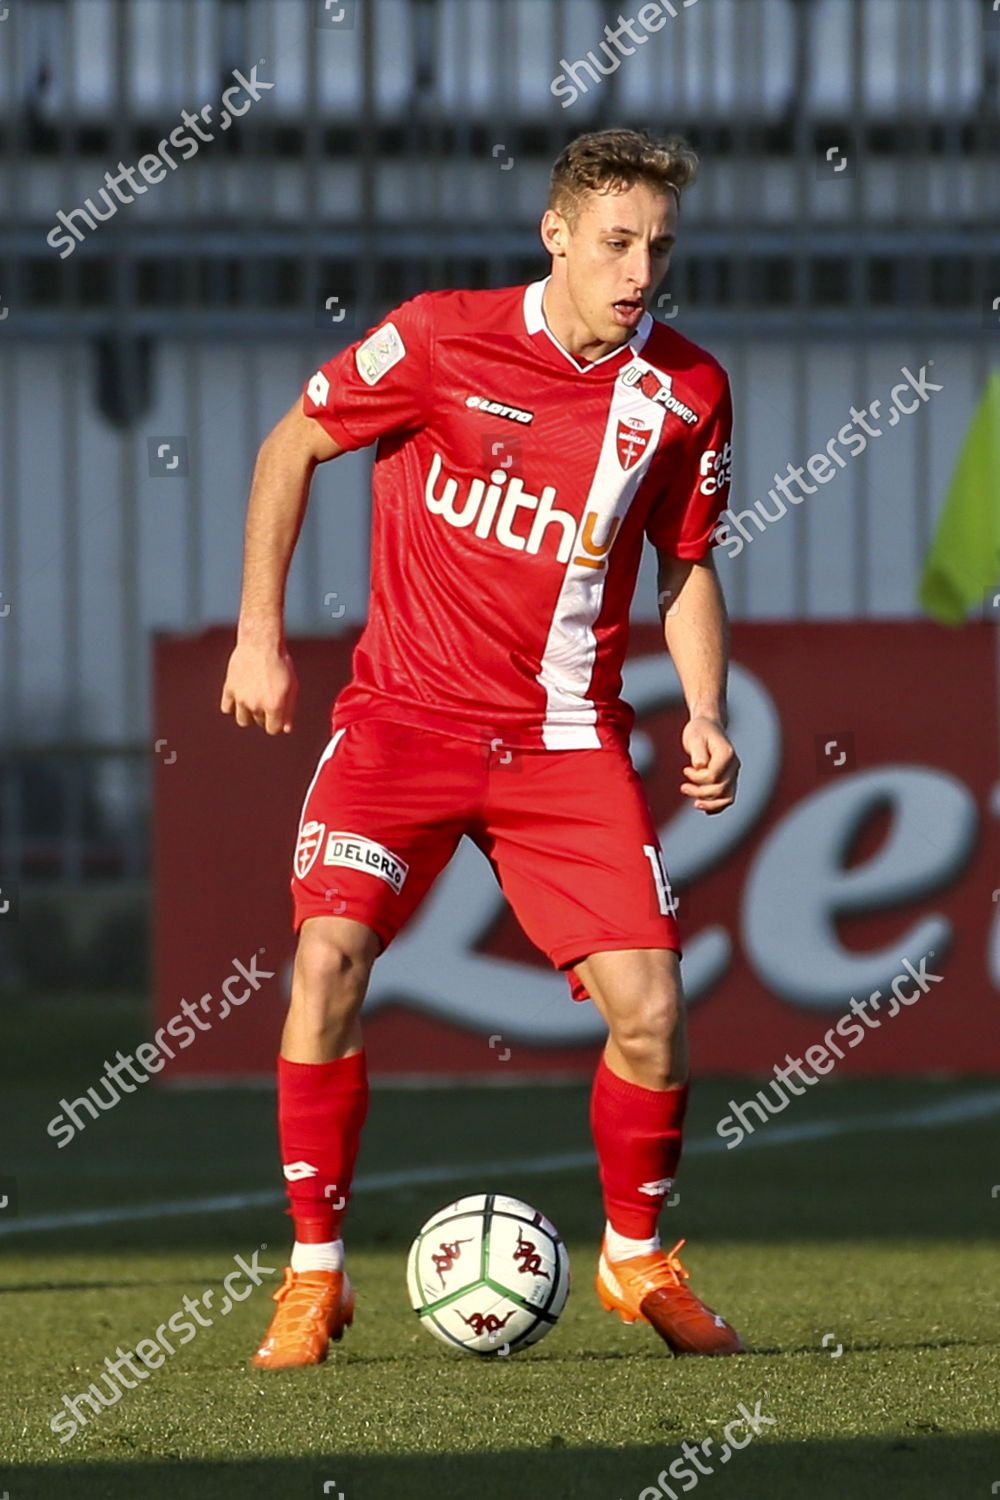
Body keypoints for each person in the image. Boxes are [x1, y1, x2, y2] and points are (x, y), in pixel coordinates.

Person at [221, 127, 743, 1367]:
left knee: (654, 1010)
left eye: (658, 249)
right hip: (402, 721)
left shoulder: (685, 392)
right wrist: (259, 635)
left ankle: (635, 1259)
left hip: (562, 743)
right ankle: (312, 1278)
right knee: (325, 966)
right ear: (555, 234)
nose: (638, 272)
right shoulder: (440, 338)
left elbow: (686, 565)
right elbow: (291, 441)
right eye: (616, 243)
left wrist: (708, 709)